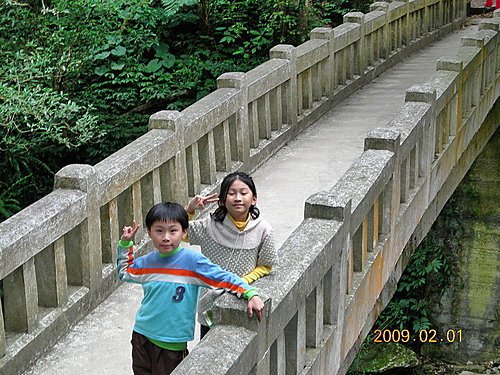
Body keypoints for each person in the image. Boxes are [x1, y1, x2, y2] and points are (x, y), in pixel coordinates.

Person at [117, 202, 264, 375]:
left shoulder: (192, 262)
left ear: (184, 232)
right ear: (149, 232)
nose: (166, 237)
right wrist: (125, 244)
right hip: (142, 334)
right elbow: (125, 272)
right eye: (159, 231)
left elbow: (223, 277)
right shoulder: (148, 262)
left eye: (173, 231)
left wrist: (250, 293)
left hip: (172, 342)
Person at [184, 171, 277, 339]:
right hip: (210, 299)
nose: (237, 198)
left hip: (243, 295)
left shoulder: (263, 229)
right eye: (231, 193)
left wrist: (243, 281)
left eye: (243, 192)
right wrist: (190, 209)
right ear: (222, 200)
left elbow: (266, 265)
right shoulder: (209, 226)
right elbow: (180, 233)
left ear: (254, 199)